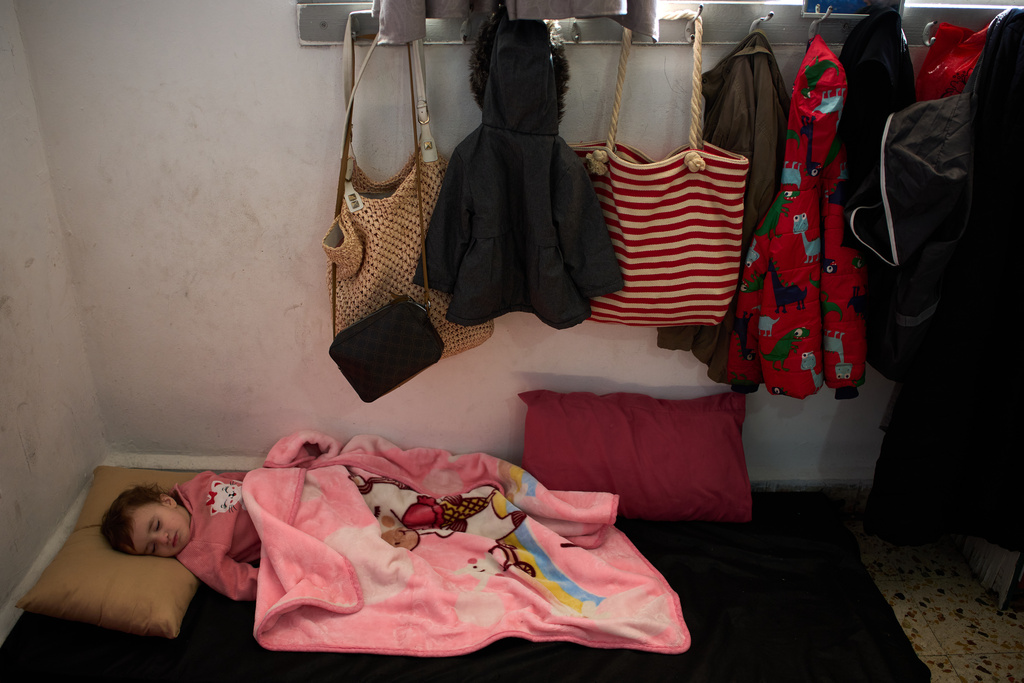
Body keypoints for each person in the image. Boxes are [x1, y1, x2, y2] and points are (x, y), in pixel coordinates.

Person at [100, 471, 260, 600]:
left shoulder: (195, 487)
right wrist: (277, 583)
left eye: (157, 525)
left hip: (270, 490)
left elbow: (236, 478)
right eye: (153, 547)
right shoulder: (197, 555)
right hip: (275, 529)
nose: (163, 539)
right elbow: (236, 582)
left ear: (168, 502)